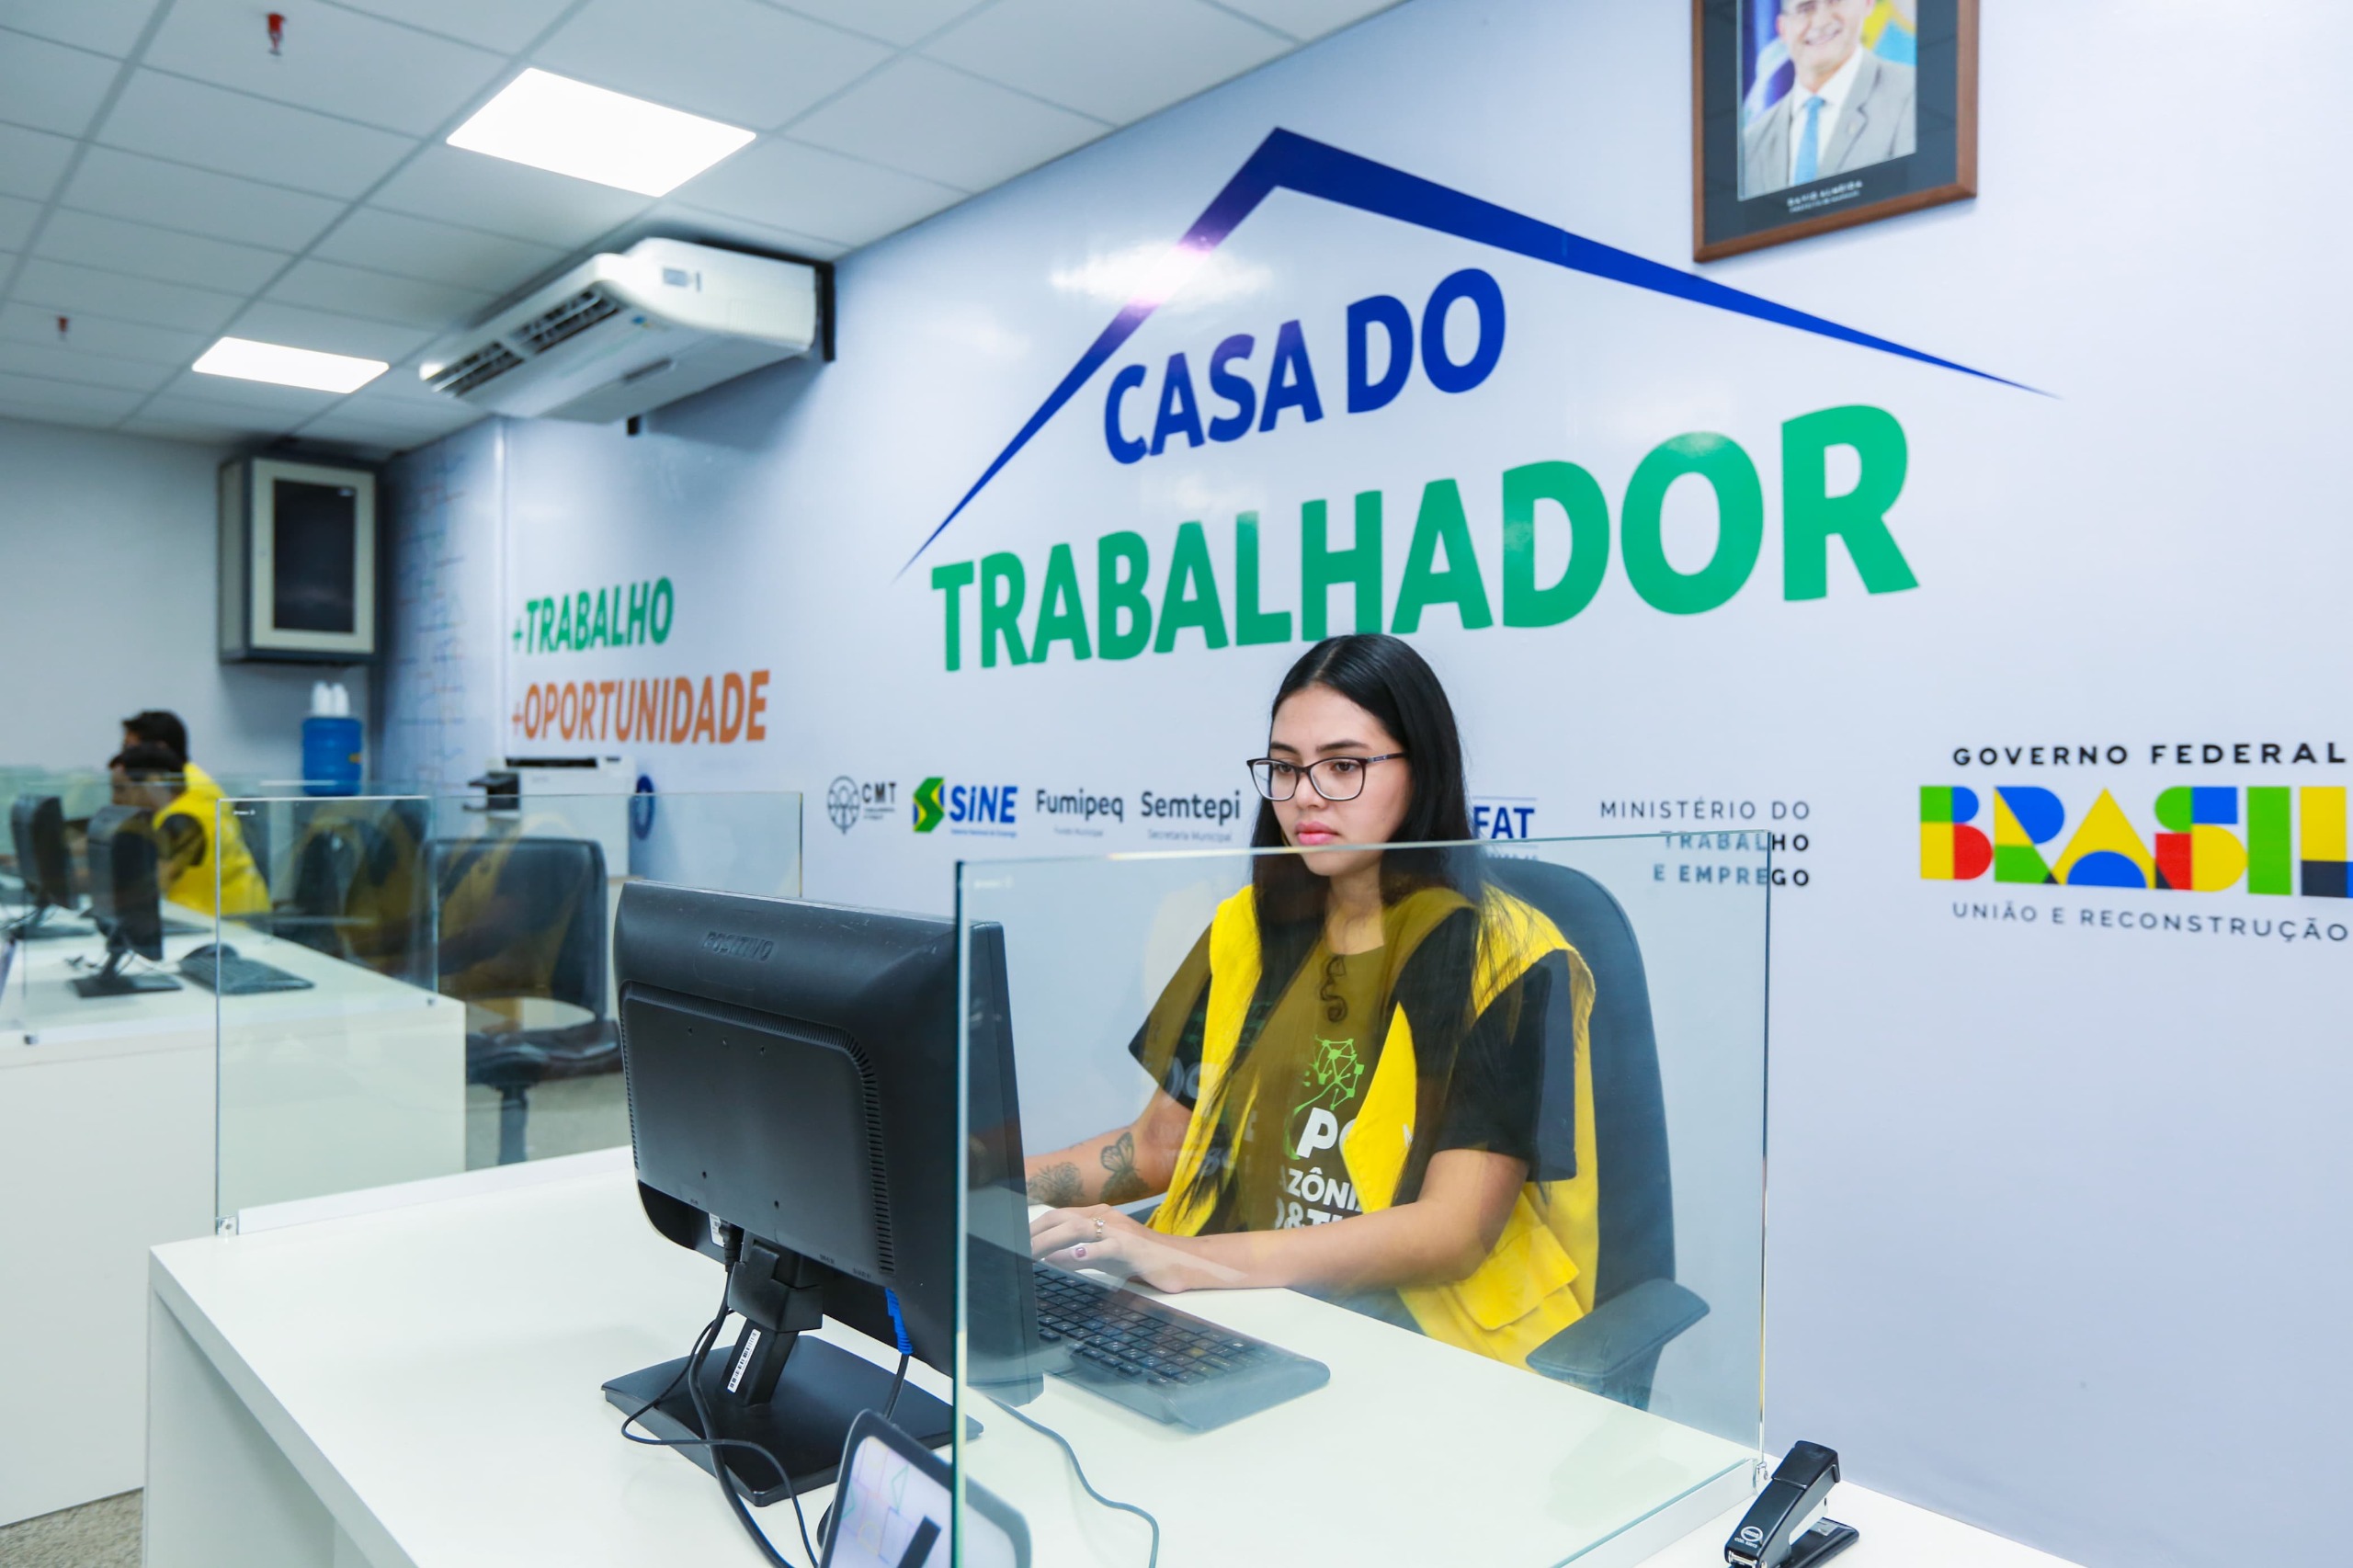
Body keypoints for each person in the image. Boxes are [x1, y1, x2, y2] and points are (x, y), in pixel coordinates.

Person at [1024, 634, 1601, 1369]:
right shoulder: (1245, 929)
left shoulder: (1506, 955)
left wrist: (1187, 1259)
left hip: (1424, 1342)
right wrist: (985, 1182)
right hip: (1245, 1310)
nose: (1305, 796)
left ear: (1422, 771)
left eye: (1344, 766)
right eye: (1286, 767)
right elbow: (1163, 1144)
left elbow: (1452, 1232)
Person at [1741, 0, 1916, 199]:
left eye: (1835, 1)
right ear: (1783, 29)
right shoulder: (1751, 143)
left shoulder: (1912, 96)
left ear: (1867, 4)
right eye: (1805, 9)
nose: (1821, 22)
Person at [108, 741, 270, 917]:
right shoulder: (191, 804)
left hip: (229, 921)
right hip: (220, 913)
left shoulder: (183, 818)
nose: (115, 799)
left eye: (121, 789)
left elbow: (155, 883)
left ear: (153, 782)